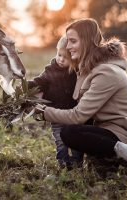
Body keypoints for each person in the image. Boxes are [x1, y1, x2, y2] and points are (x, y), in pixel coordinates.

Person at [36, 18, 127, 167]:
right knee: (77, 136)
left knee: (70, 133)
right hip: (106, 130)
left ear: (87, 41)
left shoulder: (106, 72)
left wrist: (42, 111)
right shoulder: (86, 69)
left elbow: (78, 116)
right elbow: (57, 82)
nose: (68, 46)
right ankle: (109, 158)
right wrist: (38, 92)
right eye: (68, 41)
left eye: (73, 41)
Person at [28, 36, 84, 169]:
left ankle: (77, 163)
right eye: (59, 55)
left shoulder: (76, 73)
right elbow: (40, 82)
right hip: (55, 113)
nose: (61, 59)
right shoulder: (50, 70)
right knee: (60, 141)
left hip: (73, 114)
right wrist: (28, 86)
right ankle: (64, 164)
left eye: (66, 57)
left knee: (76, 141)